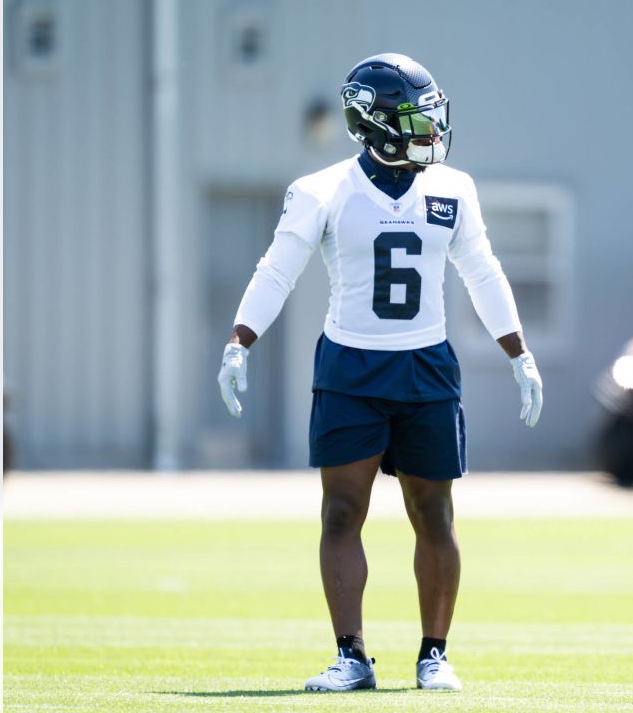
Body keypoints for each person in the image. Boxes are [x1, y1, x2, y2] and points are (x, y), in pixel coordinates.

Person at [216, 53, 543, 693]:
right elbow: (277, 269)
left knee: (435, 516)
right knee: (341, 513)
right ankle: (351, 655)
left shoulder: (454, 187)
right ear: (375, 122)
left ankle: (435, 654)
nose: (429, 132)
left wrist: (519, 352)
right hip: (351, 365)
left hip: (426, 364)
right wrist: (239, 341)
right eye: (415, 119)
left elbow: (481, 271)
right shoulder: (322, 189)